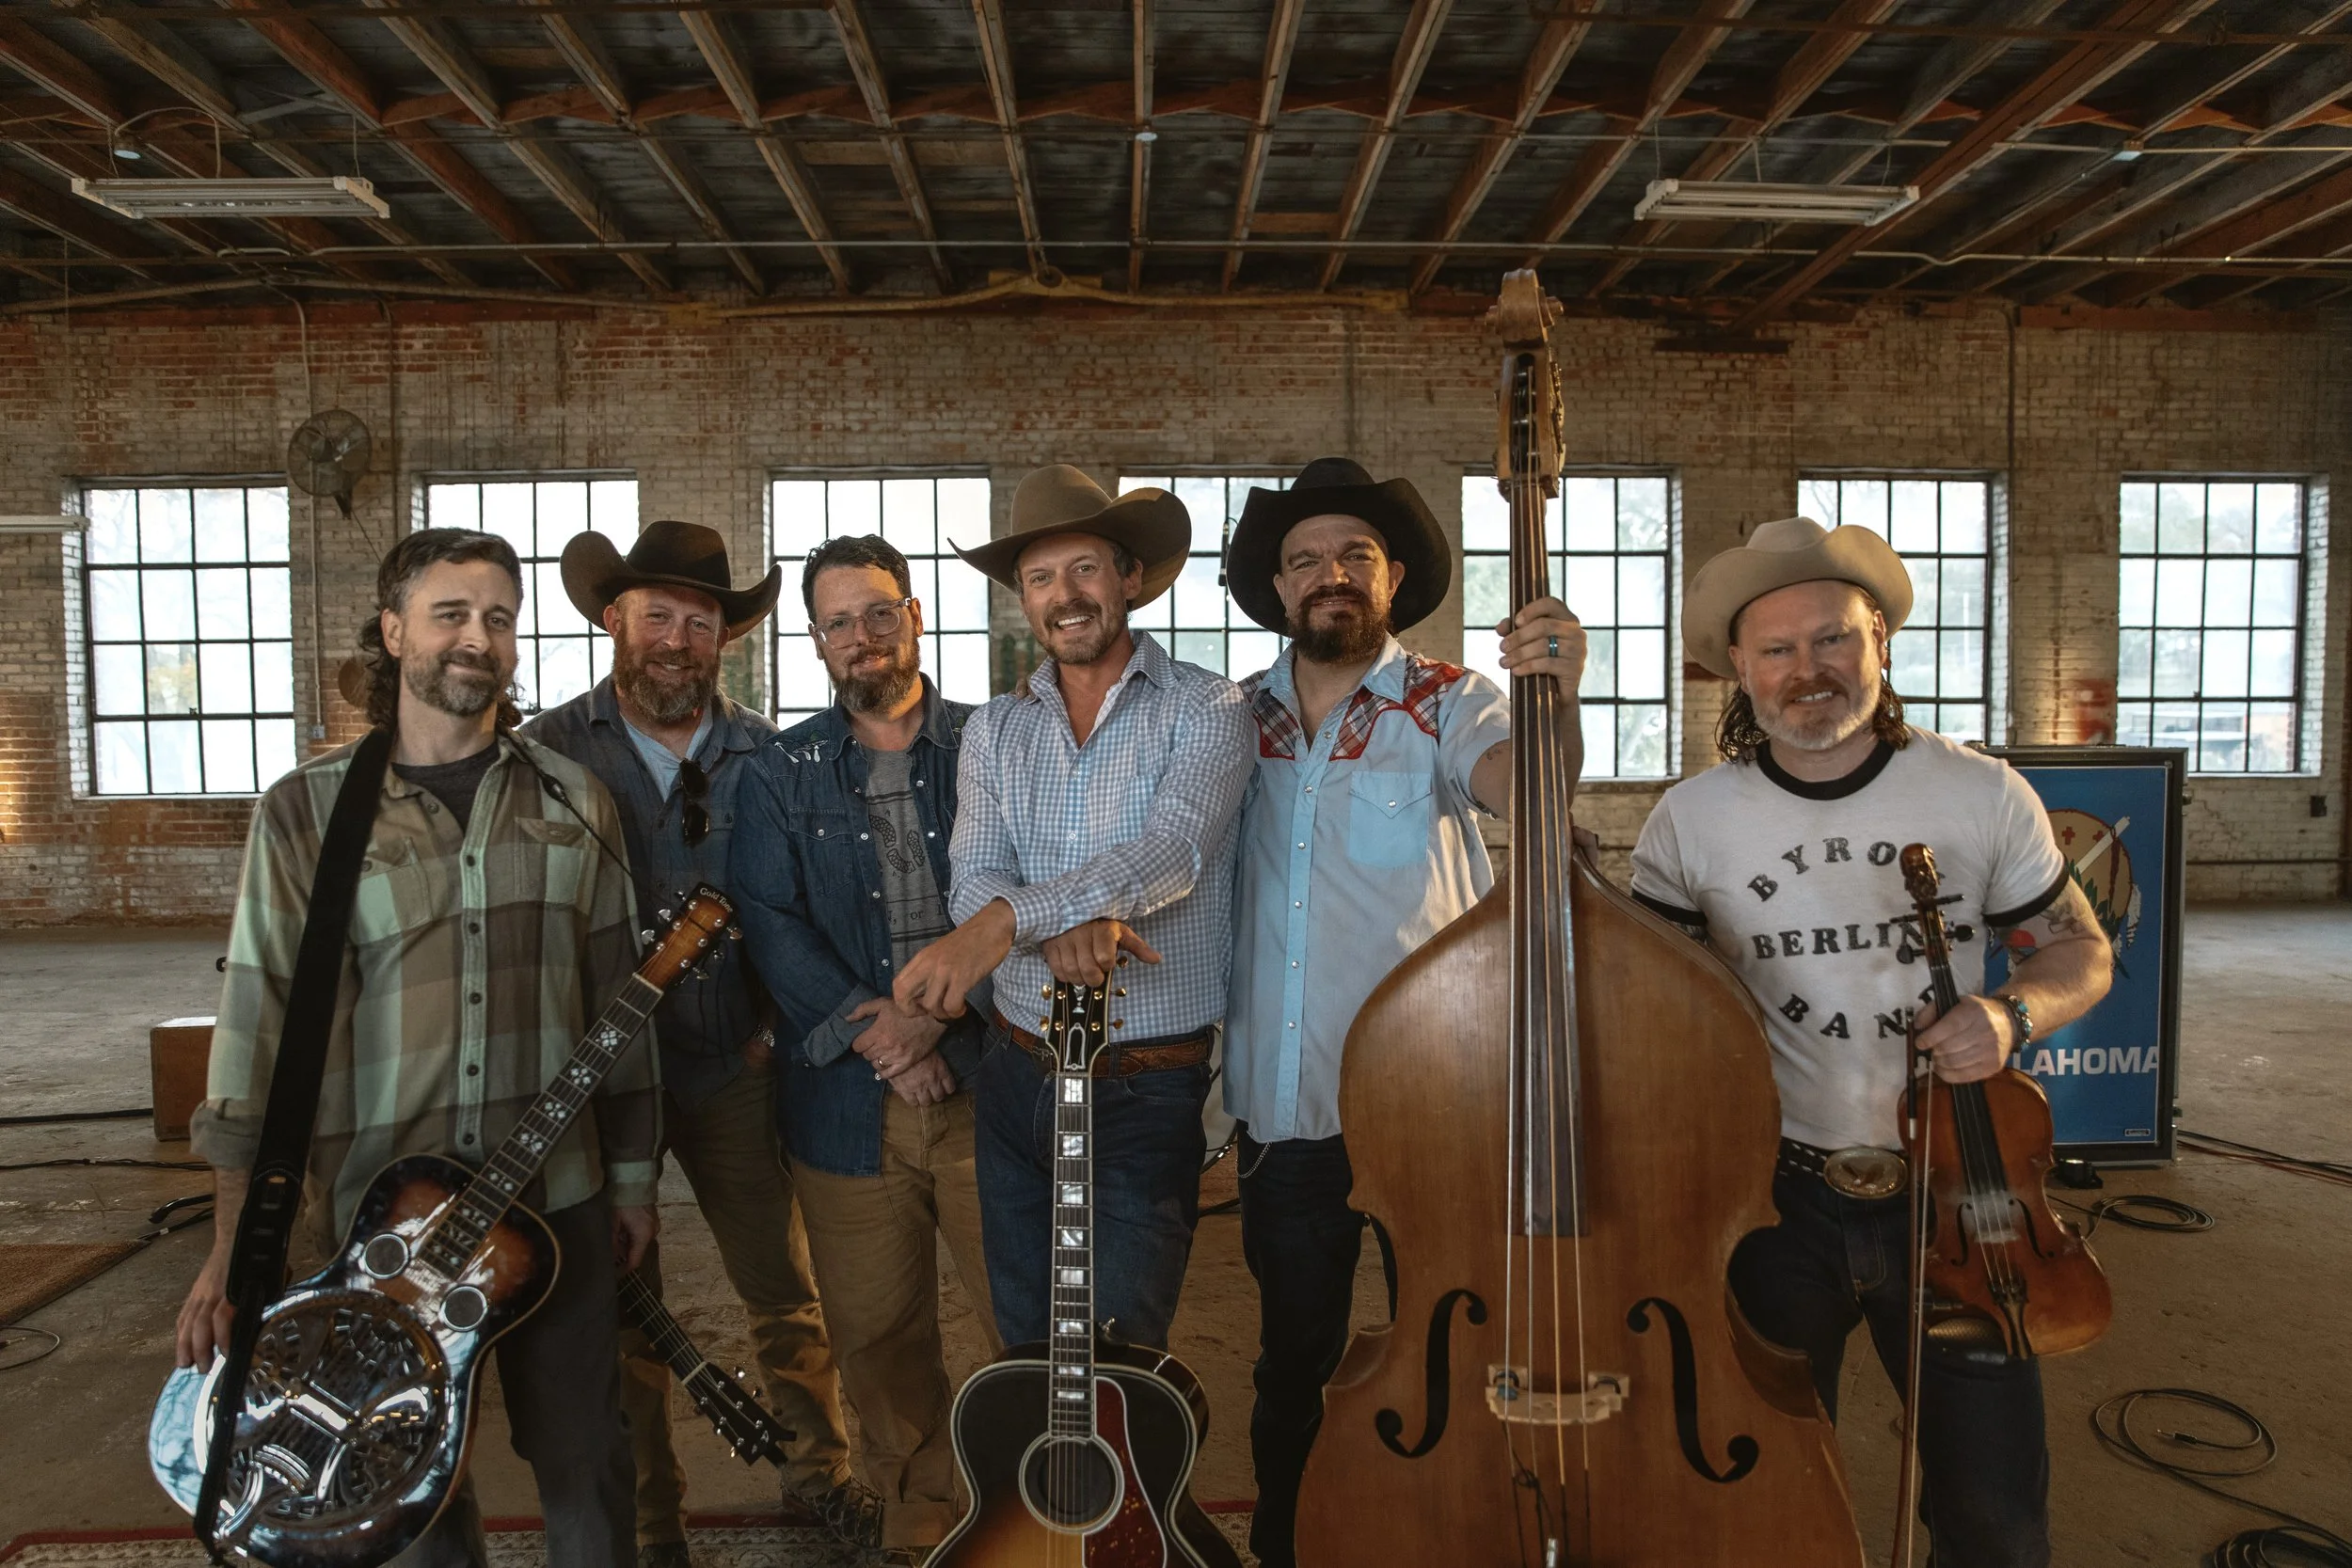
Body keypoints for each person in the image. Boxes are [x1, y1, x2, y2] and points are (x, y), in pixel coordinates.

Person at [1629, 515, 2114, 1568]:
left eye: (1833, 638)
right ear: (1741, 673)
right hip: (1771, 1195)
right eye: (1777, 648)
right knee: (1758, 1495)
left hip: (1962, 1195)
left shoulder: (1980, 791)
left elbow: (2080, 951)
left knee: (1993, 1512)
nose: (1809, 670)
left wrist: (2006, 1013)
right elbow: (1651, 1011)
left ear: (1880, 645)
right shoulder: (1688, 820)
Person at [177, 528, 655, 1568]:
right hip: (372, 1222)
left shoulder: (577, 800)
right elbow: (254, 1028)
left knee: (588, 1463)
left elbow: (621, 1004)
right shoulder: (305, 813)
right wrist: (232, 1238)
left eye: (498, 616)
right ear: (394, 631)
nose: (476, 637)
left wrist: (630, 1181)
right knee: (402, 1493)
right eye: (450, 612)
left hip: (553, 1203)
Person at [1216, 457, 1587, 1568]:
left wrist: (1553, 697)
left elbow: (1530, 783)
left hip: (1436, 1105)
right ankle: (1289, 1543)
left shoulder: (1452, 699)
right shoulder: (1232, 722)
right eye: (1304, 559)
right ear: (1278, 589)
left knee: (1448, 1347)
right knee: (1294, 1360)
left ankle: (1450, 1533)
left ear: (1394, 575)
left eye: (1354, 555)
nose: (1329, 573)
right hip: (1285, 1113)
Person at [523, 521, 861, 1562]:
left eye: (699, 621)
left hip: (729, 1071)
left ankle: (823, 1474)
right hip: (595, 1084)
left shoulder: (767, 752)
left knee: (782, 1286)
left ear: (727, 637)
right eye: (656, 615)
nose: (676, 638)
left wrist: (768, 1036)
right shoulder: (541, 752)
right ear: (612, 619)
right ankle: (652, 1521)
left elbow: (798, 907)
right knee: (619, 1307)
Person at [892, 464, 1253, 1352]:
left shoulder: (1211, 707)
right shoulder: (996, 729)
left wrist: (1011, 922)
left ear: (1129, 576)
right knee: (1027, 1343)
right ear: (1024, 599)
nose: (1066, 596)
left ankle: (1127, 1498)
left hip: (1146, 1081)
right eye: (1042, 578)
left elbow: (1173, 852)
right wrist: (1045, 921)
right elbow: (974, 872)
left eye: (1085, 569)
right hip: (1018, 1075)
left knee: (1123, 1346)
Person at [729, 534, 999, 1553]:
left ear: (915, 615)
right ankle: (919, 1518)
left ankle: (1032, 1503)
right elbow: (770, 921)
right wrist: (886, 1037)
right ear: (816, 640)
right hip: (848, 1108)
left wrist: (938, 1013)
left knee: (1025, 1318)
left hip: (992, 1086)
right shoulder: (780, 771)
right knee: (878, 1334)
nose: (861, 637)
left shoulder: (993, 743)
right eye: (837, 621)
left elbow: (1025, 888)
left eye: (878, 611)